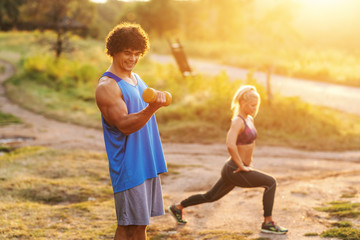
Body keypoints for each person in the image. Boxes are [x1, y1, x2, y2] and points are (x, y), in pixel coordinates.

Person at [168, 85, 288, 235]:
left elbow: (249, 143)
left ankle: (177, 207)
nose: (254, 108)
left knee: (210, 196)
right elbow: (230, 145)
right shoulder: (238, 121)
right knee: (271, 182)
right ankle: (268, 223)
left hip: (235, 168)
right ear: (242, 103)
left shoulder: (249, 119)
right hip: (235, 169)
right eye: (252, 105)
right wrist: (241, 165)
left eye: (256, 105)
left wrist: (248, 162)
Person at [95, 22, 168, 240]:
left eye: (137, 54)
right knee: (127, 227)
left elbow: (144, 104)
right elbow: (125, 125)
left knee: (140, 227)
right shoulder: (107, 86)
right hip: (128, 167)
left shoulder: (135, 78)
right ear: (114, 50)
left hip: (146, 163)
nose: (132, 59)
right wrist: (153, 107)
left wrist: (157, 97)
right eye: (127, 53)